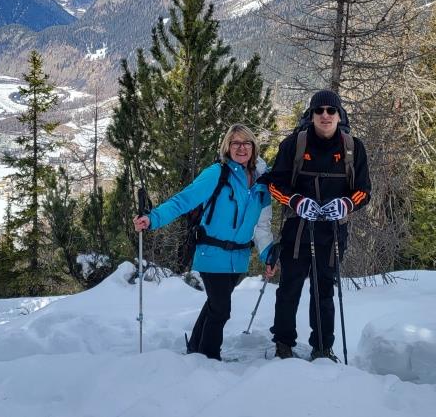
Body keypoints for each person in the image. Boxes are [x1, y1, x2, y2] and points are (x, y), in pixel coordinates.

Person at [133, 124, 277, 361]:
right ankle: (209, 359)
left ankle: (195, 350)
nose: (241, 148)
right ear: (227, 147)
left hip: (239, 258)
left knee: (214, 305)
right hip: (212, 253)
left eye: (246, 143)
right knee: (221, 309)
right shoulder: (217, 173)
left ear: (254, 147)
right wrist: (152, 218)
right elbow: (183, 200)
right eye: (235, 143)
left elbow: (262, 224)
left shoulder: (262, 182)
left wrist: (267, 253)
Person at [260, 89, 371, 361]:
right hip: (297, 229)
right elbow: (274, 184)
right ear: (311, 115)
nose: (325, 115)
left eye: (331, 110)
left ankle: (322, 347)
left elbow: (364, 191)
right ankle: (283, 343)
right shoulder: (294, 145)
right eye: (318, 110)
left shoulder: (353, 148)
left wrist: (346, 204)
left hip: (332, 232)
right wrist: (295, 201)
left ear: (339, 115)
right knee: (289, 288)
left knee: (323, 290)